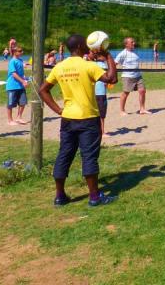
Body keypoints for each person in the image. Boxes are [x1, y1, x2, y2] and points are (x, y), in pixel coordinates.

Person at [38, 34, 119, 207]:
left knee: (64, 155)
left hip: (68, 118)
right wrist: (108, 56)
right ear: (81, 46)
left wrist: (58, 110)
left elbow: (43, 90)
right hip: (88, 118)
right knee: (89, 156)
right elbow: (112, 79)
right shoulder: (88, 66)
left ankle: (60, 196)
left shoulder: (59, 67)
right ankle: (95, 197)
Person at [115, 37, 148, 115]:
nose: (134, 43)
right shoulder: (122, 53)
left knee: (142, 91)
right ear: (126, 44)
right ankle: (122, 111)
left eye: (134, 42)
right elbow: (114, 64)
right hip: (127, 76)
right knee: (126, 93)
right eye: (132, 42)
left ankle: (142, 109)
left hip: (138, 75)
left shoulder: (135, 51)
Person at [6, 46, 29, 126]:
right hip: (12, 86)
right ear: (14, 52)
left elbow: (21, 72)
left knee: (23, 102)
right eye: (20, 51)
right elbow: (14, 74)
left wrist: (25, 79)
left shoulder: (20, 60)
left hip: (21, 86)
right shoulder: (12, 62)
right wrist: (23, 81)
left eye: (22, 51)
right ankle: (10, 120)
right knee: (10, 104)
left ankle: (19, 117)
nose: (22, 52)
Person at [90, 49, 109, 136]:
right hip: (99, 92)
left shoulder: (94, 64)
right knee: (101, 114)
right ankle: (101, 132)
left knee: (98, 113)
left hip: (96, 92)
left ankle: (100, 131)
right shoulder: (100, 65)